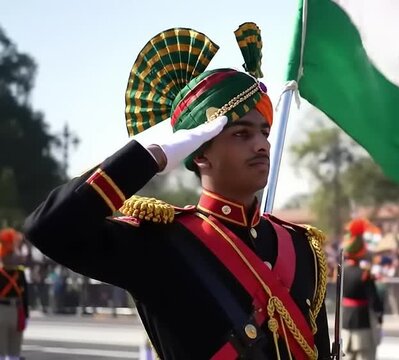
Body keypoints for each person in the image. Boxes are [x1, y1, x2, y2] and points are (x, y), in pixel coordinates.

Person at [23, 25, 330, 360]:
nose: (261, 145)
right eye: (241, 134)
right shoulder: (159, 243)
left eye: (264, 132)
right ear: (199, 153)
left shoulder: (302, 250)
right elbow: (50, 227)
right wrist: (150, 156)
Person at [340, 218, 384, 360]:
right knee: (365, 355)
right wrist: (379, 316)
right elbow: (374, 300)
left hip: (345, 319)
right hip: (363, 320)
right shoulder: (365, 273)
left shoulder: (342, 271)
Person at [0, 228, 29, 360]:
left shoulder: (20, 273)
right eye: (10, 253)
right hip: (2, 309)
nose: (13, 256)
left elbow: (25, 296)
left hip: (17, 310)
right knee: (1, 347)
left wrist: (26, 315)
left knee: (15, 348)